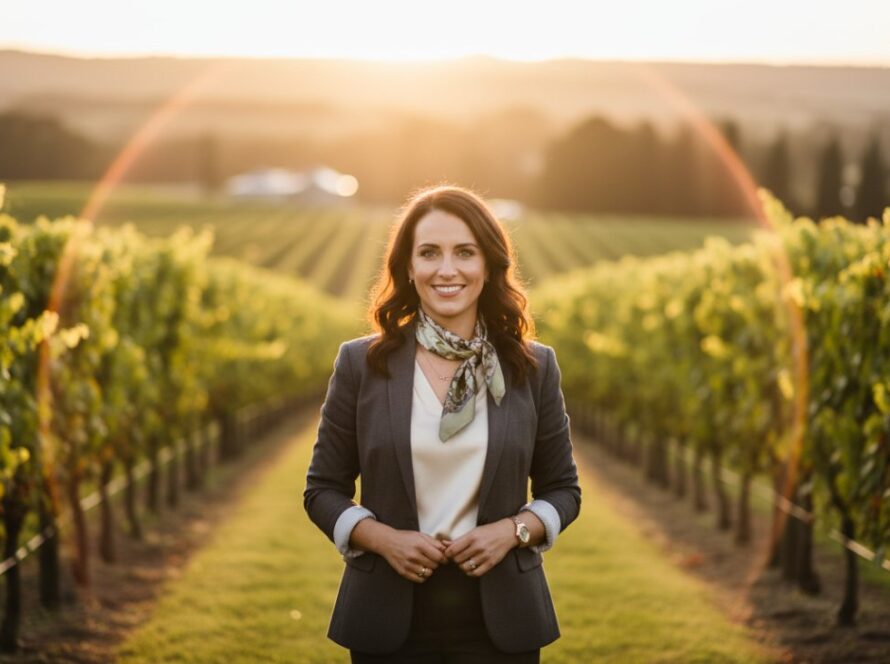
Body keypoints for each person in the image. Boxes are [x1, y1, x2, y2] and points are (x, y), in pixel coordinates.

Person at [303, 184, 582, 662]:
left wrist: (513, 531)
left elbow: (564, 490)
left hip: (504, 622)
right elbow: (322, 490)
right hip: (385, 616)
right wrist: (383, 539)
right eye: (429, 252)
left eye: (465, 252)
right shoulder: (361, 363)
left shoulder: (532, 367)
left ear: (489, 265)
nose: (447, 269)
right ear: (408, 268)